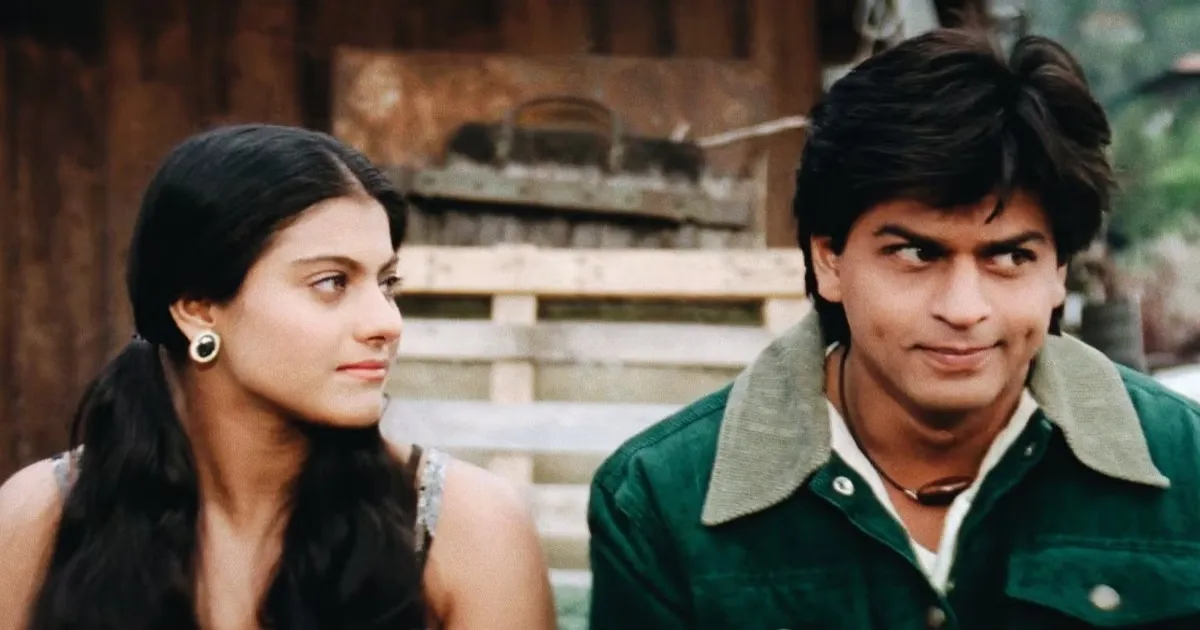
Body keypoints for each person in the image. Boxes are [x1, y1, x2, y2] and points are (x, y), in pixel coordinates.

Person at [587, 28, 1200, 629]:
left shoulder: (1187, 466)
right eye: (916, 253)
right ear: (829, 260)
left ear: (1059, 271)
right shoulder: (663, 501)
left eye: (1011, 257)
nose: (964, 308)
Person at [0, 124, 556, 630]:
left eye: (387, 283)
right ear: (198, 308)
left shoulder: (464, 530)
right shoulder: (40, 518)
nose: (387, 323)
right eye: (332, 282)